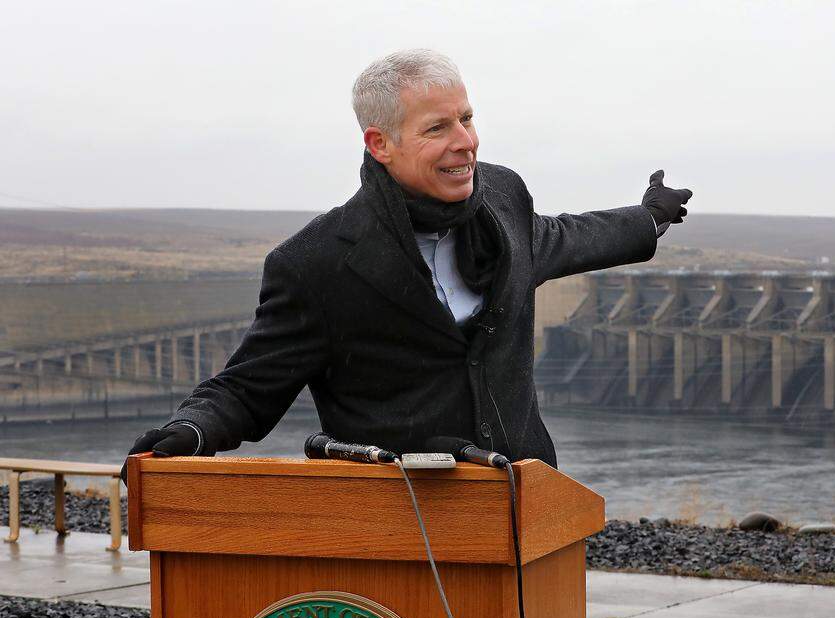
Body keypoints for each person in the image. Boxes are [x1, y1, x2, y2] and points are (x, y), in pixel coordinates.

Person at [123, 49, 692, 471]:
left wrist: (647, 219)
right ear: (380, 144)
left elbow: (559, 238)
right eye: (437, 128)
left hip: (525, 499)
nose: (465, 142)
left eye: (466, 119)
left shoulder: (501, 199)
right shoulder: (317, 264)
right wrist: (190, 429)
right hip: (397, 521)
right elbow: (248, 388)